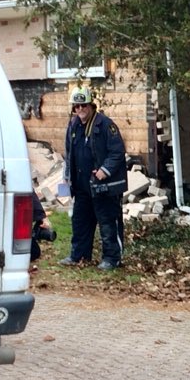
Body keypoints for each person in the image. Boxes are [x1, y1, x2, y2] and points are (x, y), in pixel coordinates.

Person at [59, 87, 128, 270]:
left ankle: (112, 259)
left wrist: (105, 170)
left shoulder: (105, 125)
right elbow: (69, 154)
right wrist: (66, 177)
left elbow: (117, 152)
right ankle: (79, 255)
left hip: (103, 185)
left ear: (91, 105)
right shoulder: (73, 125)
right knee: (80, 221)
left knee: (108, 222)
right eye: (77, 106)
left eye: (84, 105)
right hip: (81, 186)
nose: (80, 109)